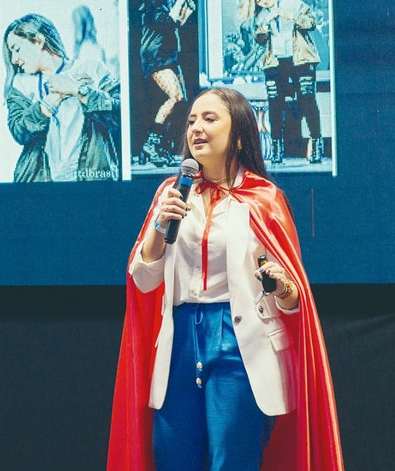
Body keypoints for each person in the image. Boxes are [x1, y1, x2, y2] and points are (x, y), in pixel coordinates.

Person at [108, 87, 343, 470]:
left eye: (209, 118)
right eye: (191, 121)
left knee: (231, 460)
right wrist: (157, 227)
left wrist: (281, 284)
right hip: (180, 340)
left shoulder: (264, 198)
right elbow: (144, 281)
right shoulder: (171, 193)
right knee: (173, 458)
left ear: (237, 134)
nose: (196, 128)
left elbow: (293, 299)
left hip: (240, 340)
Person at [3, 13, 120, 182]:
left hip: (92, 184)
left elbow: (121, 117)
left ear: (38, 41)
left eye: (17, 49)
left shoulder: (92, 67)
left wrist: (78, 90)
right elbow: (19, 133)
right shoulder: (21, 84)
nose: (14, 59)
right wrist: (52, 100)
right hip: (40, 189)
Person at [238, 0, 323, 165]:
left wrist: (288, 15)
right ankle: (277, 150)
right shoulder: (262, 16)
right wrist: (263, 28)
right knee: (275, 104)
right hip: (275, 62)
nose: (264, 0)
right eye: (259, 0)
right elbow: (259, 41)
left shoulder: (291, 2)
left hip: (300, 59)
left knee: (307, 99)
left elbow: (312, 22)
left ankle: (316, 145)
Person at [138, 0, 195, 168]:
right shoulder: (152, 0)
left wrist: (186, 11)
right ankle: (150, 144)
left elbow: (175, 24)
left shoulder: (169, 1)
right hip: (156, 56)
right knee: (175, 97)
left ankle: (160, 144)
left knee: (182, 101)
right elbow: (165, 23)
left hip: (170, 55)